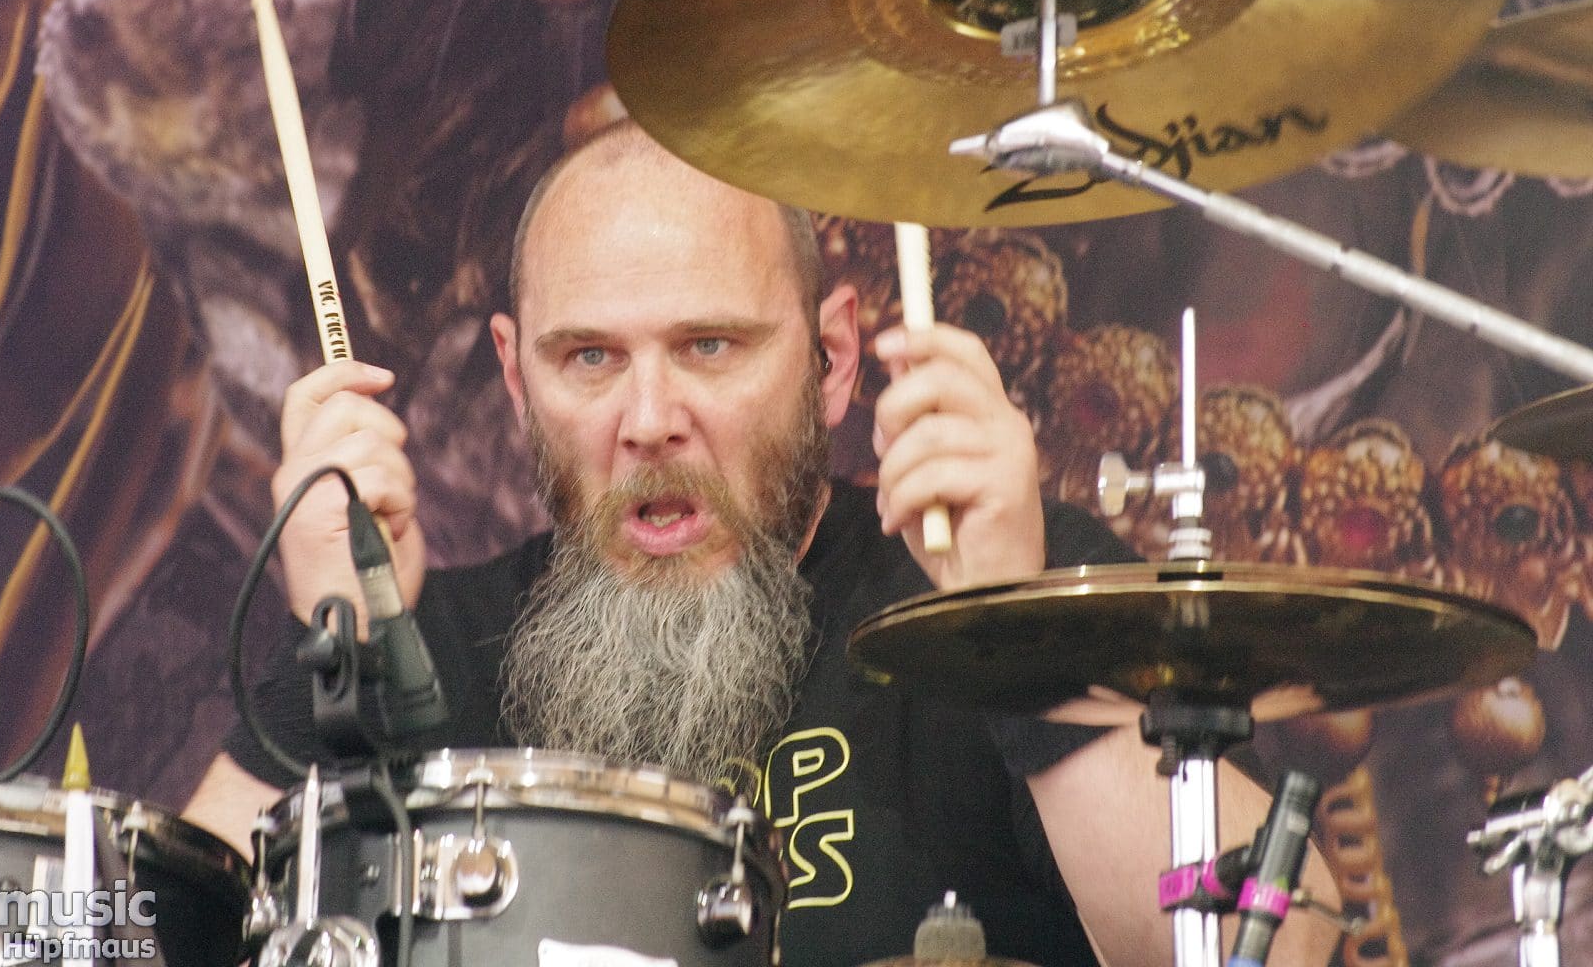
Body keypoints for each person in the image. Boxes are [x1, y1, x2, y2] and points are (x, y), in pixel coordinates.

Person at [185, 122, 1335, 966]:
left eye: (710, 345)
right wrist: (324, 654)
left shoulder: (1002, 575)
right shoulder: (413, 649)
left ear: (834, 359)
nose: (649, 417)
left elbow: (1274, 947)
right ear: (514, 377)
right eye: (589, 357)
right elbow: (149, 941)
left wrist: (1019, 640)